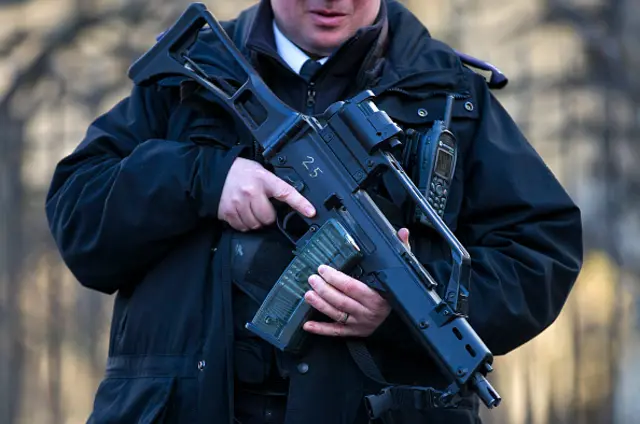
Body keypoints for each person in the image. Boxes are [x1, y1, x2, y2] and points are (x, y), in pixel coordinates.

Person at [45, 0, 583, 423]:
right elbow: (77, 212)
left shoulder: (450, 94)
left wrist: (402, 306)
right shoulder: (192, 77)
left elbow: (542, 252)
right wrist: (204, 179)